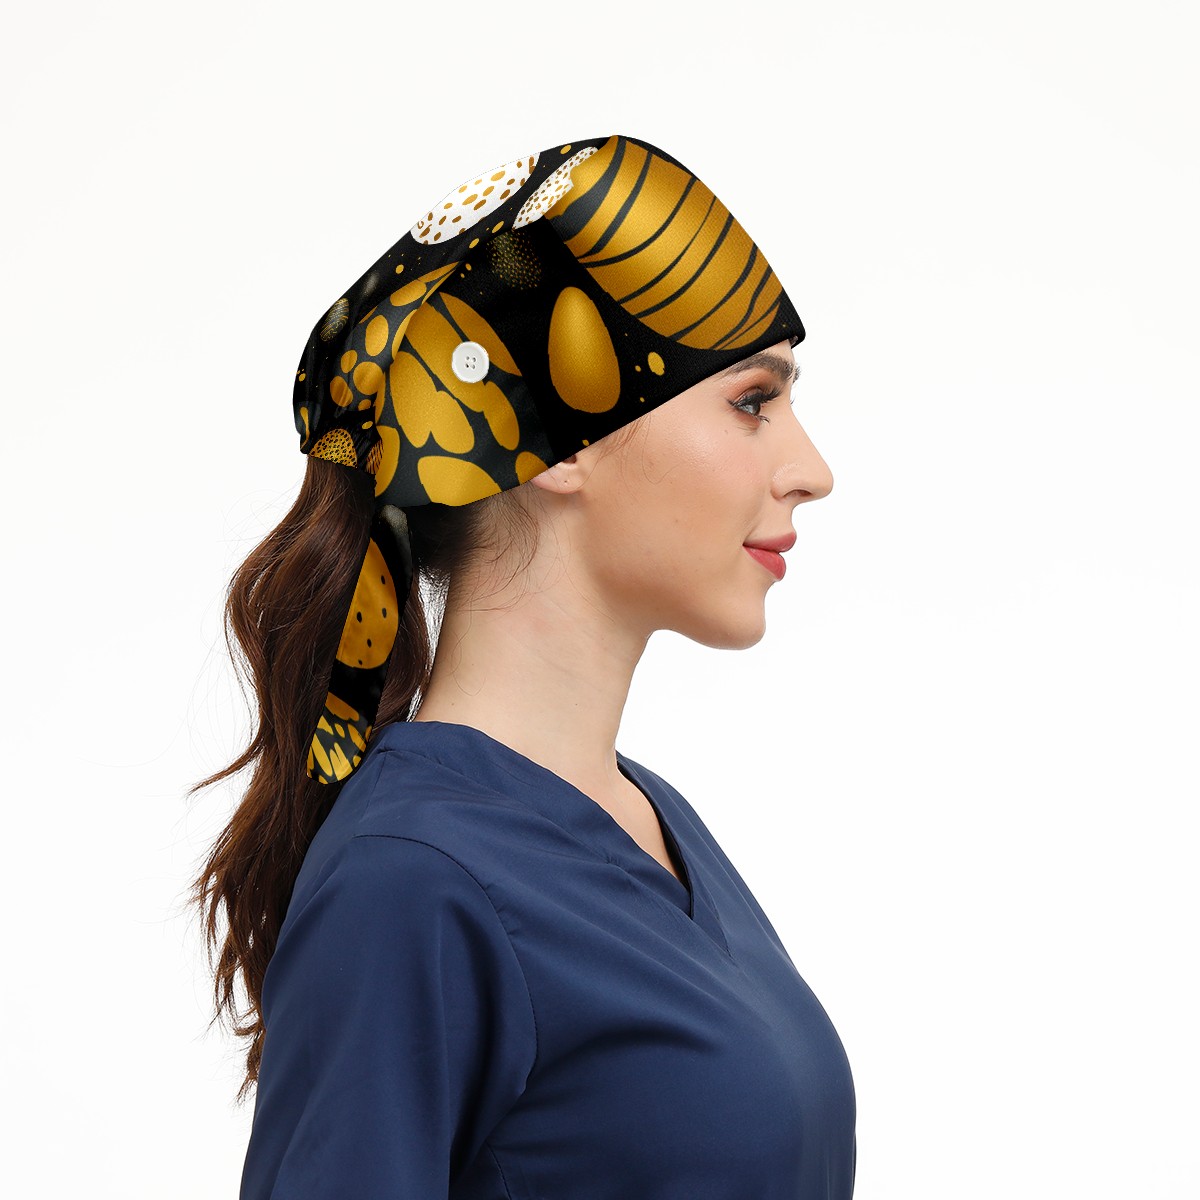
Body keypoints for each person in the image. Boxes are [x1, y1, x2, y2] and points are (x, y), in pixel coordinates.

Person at [190, 133, 857, 1198]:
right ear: (560, 440)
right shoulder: (411, 880)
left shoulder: (649, 820)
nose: (810, 469)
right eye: (751, 402)